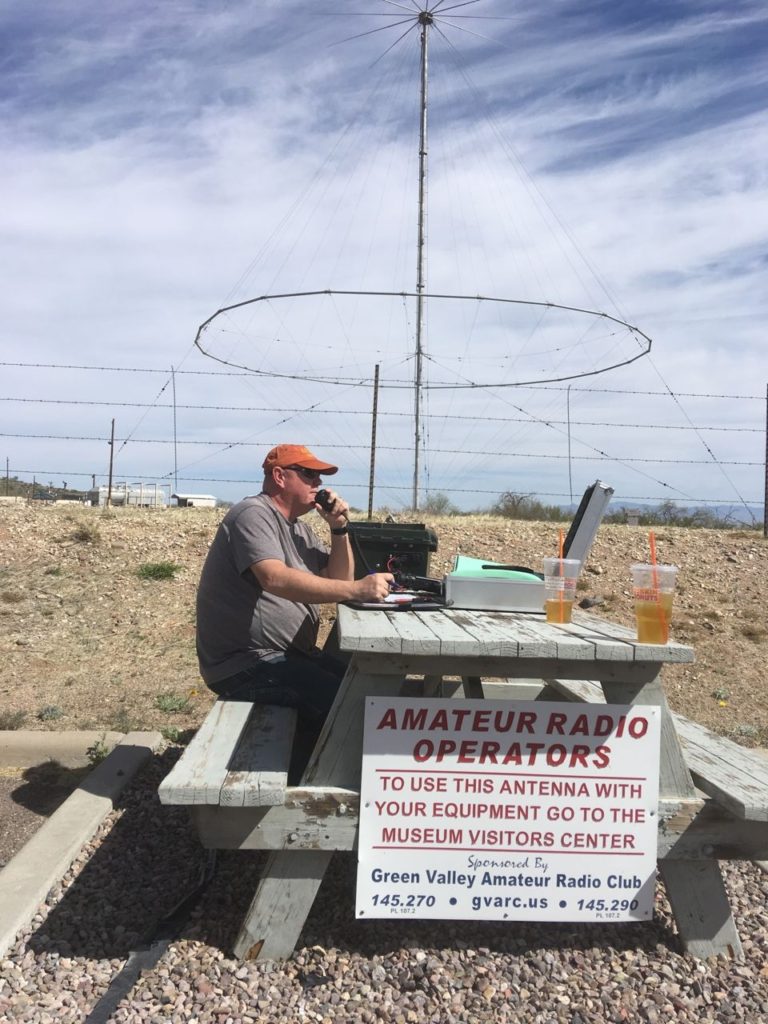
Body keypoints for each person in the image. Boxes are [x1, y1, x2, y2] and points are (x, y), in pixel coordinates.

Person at [195, 443, 394, 780]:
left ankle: (324, 774)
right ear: (279, 477)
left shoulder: (298, 528)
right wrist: (357, 589)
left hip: (286, 657)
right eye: (308, 474)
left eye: (319, 476)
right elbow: (274, 578)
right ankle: (319, 789)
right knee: (345, 705)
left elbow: (338, 577)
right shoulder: (252, 515)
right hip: (248, 664)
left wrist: (339, 528)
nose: (318, 483)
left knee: (358, 686)